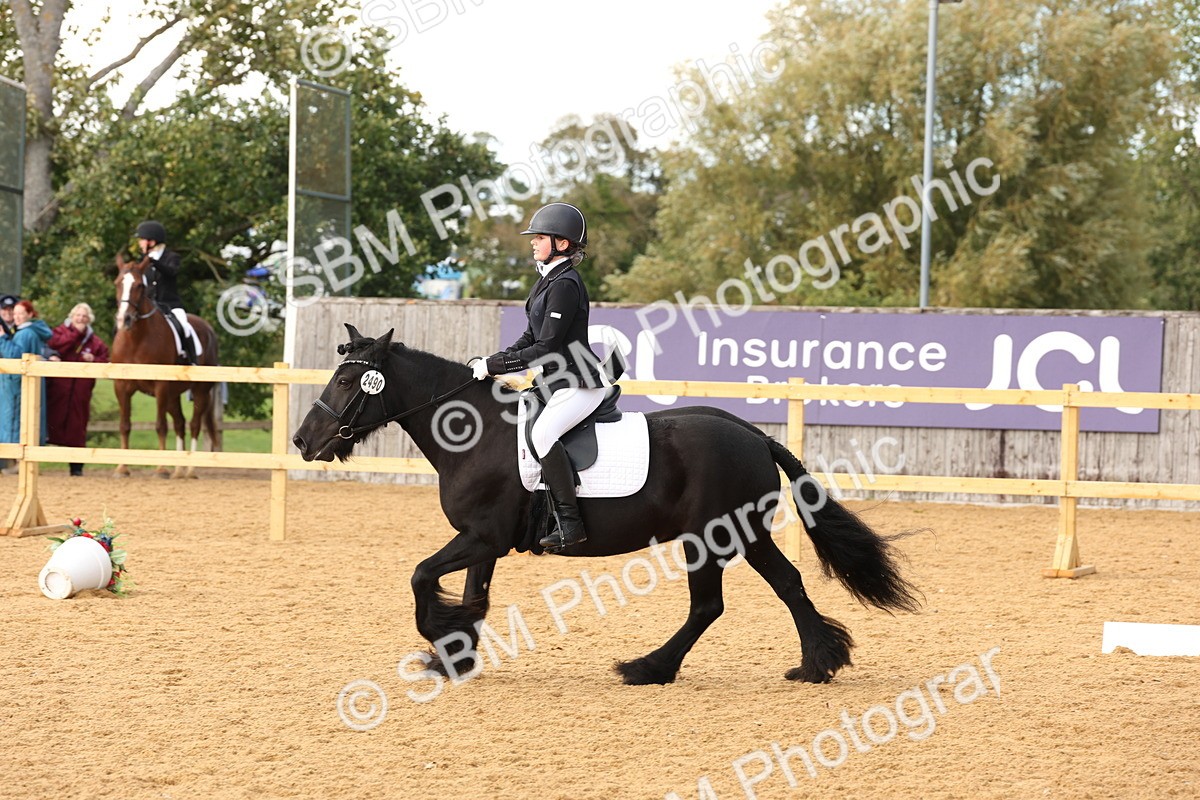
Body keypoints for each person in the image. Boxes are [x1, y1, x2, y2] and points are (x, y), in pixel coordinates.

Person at [473, 202, 607, 552]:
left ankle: (570, 524)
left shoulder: (566, 284)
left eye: (540, 237)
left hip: (578, 381)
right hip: (554, 382)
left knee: (544, 433)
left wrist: (497, 368)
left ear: (562, 244)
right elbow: (531, 338)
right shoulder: (547, 282)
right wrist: (494, 360)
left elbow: (547, 347)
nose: (533, 242)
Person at [46, 303, 110, 476]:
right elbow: (55, 346)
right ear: (72, 316)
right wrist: (76, 335)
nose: (80, 319)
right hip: (58, 390)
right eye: (78, 315)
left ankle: (76, 468)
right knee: (51, 424)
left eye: (84, 316)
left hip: (80, 392)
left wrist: (93, 359)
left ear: (89, 319)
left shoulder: (95, 341)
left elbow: (106, 361)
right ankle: (40, 463)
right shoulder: (59, 332)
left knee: (77, 427)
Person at [136, 219, 199, 365]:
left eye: (141, 240)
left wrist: (153, 261)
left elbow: (171, 272)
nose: (139, 243)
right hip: (150, 306)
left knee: (184, 326)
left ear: (151, 242)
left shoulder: (172, 257)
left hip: (171, 305)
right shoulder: (142, 260)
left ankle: (192, 360)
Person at [0, 300, 53, 462]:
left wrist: (2, 338)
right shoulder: (28, 331)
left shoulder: (25, 333)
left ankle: (15, 461)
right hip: (21, 386)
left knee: (17, 421)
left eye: (20, 313)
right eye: (15, 314)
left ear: (30, 314)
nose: (16, 317)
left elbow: (15, 356)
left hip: (18, 386)